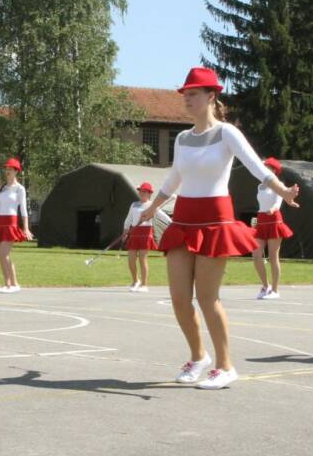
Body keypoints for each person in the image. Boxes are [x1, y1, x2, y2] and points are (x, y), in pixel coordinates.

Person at [135, 67, 299, 390]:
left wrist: (283, 191)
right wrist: (152, 208)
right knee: (179, 298)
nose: (187, 99)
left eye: (194, 94)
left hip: (215, 221)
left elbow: (257, 167)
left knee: (207, 298)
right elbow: (174, 178)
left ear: (212, 97)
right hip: (183, 220)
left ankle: (225, 366)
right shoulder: (182, 138)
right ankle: (198, 357)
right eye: (185, 94)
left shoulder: (227, 133)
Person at [250, 157, 295, 300]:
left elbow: (277, 202)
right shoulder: (260, 186)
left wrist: (272, 209)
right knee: (256, 255)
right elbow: (261, 204)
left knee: (273, 257)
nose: (264, 169)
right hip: (261, 222)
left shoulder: (279, 185)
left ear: (274, 170)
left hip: (274, 220)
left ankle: (275, 290)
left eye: (267, 167)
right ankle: (265, 286)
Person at [0, 158, 32, 293]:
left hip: (11, 224)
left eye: (10, 169)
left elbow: (23, 210)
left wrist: (26, 228)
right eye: (6, 169)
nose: (7, 171)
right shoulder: (2, 188)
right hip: (0, 224)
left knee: (5, 254)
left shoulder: (20, 189)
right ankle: (9, 284)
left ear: (16, 171)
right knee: (1, 255)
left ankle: (12, 285)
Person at [122, 182, 164, 292]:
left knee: (142, 259)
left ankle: (144, 285)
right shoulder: (134, 204)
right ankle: (136, 281)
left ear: (150, 193)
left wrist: (173, 223)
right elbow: (129, 218)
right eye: (141, 191)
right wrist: (125, 230)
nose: (142, 193)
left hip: (146, 233)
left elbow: (162, 216)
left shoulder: (152, 205)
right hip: (134, 232)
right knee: (131, 259)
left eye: (144, 191)